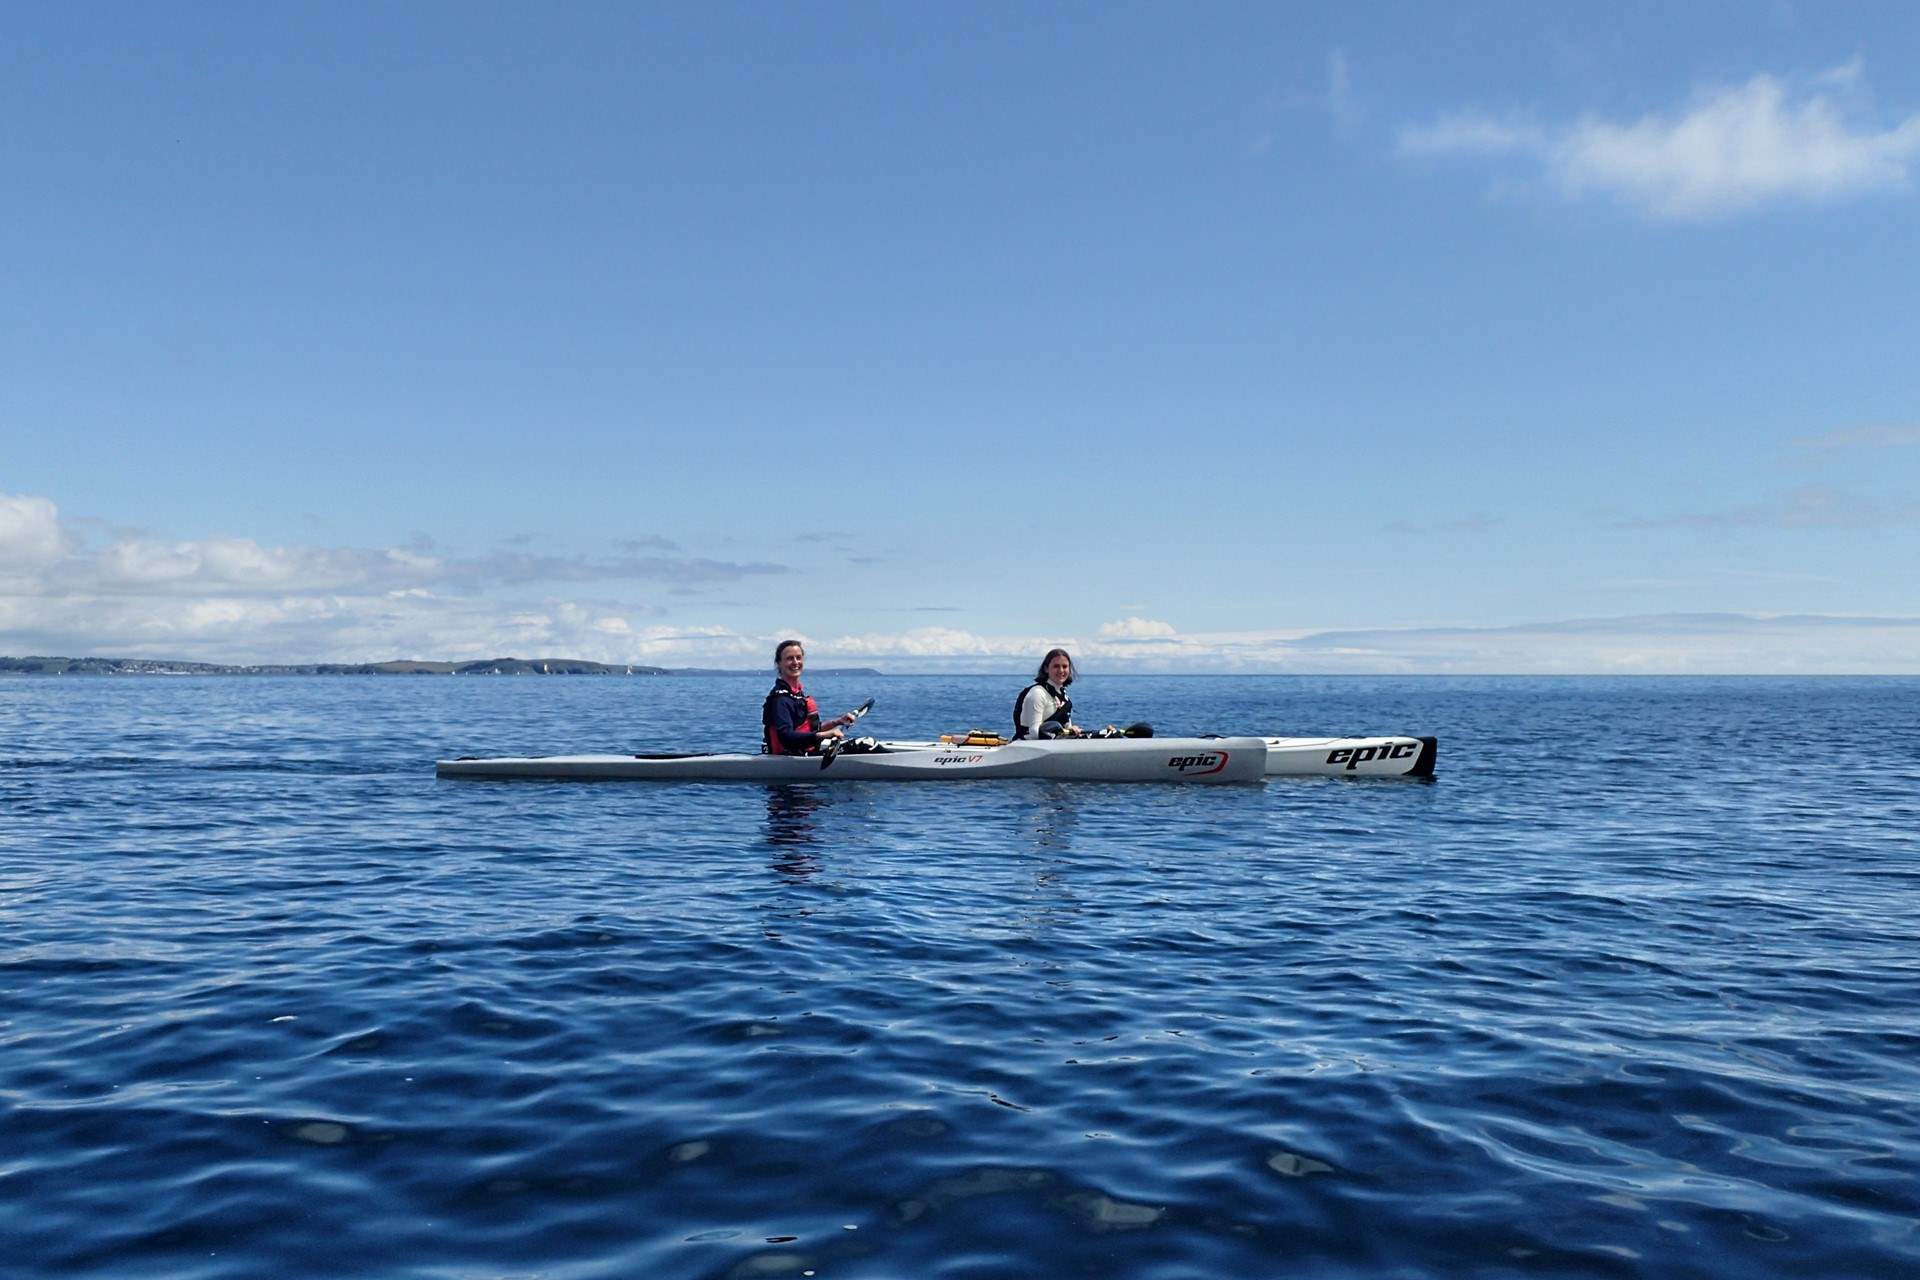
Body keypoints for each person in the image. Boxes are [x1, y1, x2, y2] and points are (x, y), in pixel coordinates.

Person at [762, 639, 862, 755]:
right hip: (789, 758)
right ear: (779, 663)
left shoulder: (797, 695)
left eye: (798, 658)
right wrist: (826, 735)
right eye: (790, 658)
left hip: (804, 753)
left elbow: (810, 732)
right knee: (865, 744)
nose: (795, 662)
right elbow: (786, 737)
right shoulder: (780, 700)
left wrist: (837, 722)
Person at [1013, 648, 1082, 739]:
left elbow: (1066, 728)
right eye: (1056, 666)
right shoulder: (1037, 694)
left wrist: (1072, 731)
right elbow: (1034, 733)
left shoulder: (1064, 698)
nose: (1061, 670)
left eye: (1065, 666)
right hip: (1026, 747)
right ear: (1046, 668)